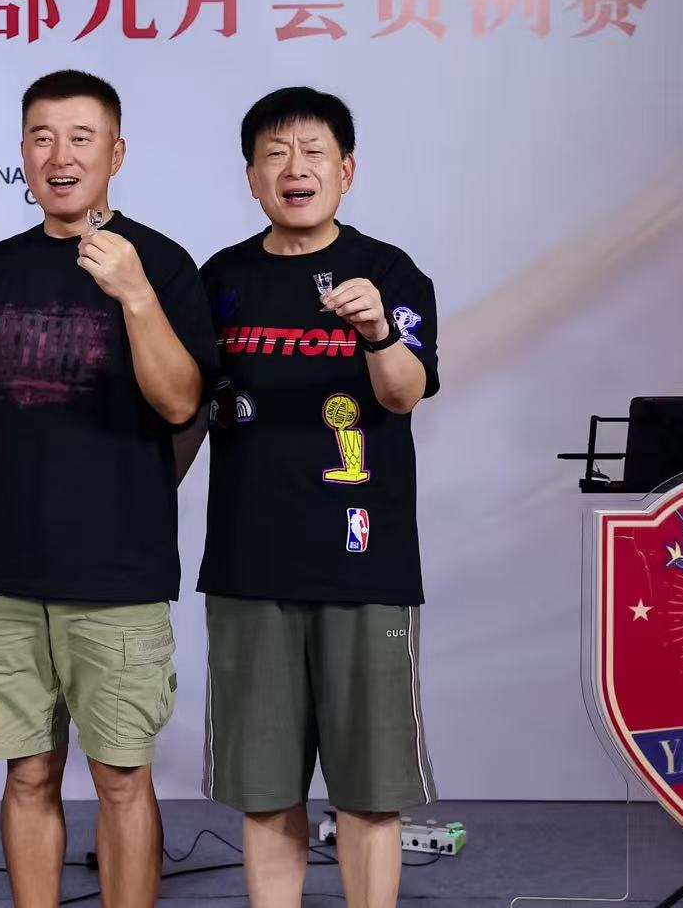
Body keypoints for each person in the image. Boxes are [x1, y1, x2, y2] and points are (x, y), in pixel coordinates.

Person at [0, 70, 216, 908]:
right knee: (27, 773)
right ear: (23, 151)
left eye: (81, 138)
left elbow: (181, 402)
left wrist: (134, 293)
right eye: (42, 137)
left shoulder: (162, 264)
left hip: (117, 574)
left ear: (115, 153)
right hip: (7, 574)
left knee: (122, 778)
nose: (60, 155)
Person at [193, 87, 439, 908]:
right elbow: (187, 407)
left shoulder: (391, 273)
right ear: (252, 175)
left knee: (370, 792)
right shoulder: (221, 279)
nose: (293, 169)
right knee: (266, 793)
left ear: (347, 169)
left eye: (312, 152)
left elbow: (403, 392)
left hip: (364, 567)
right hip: (248, 565)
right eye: (274, 154)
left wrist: (378, 331)